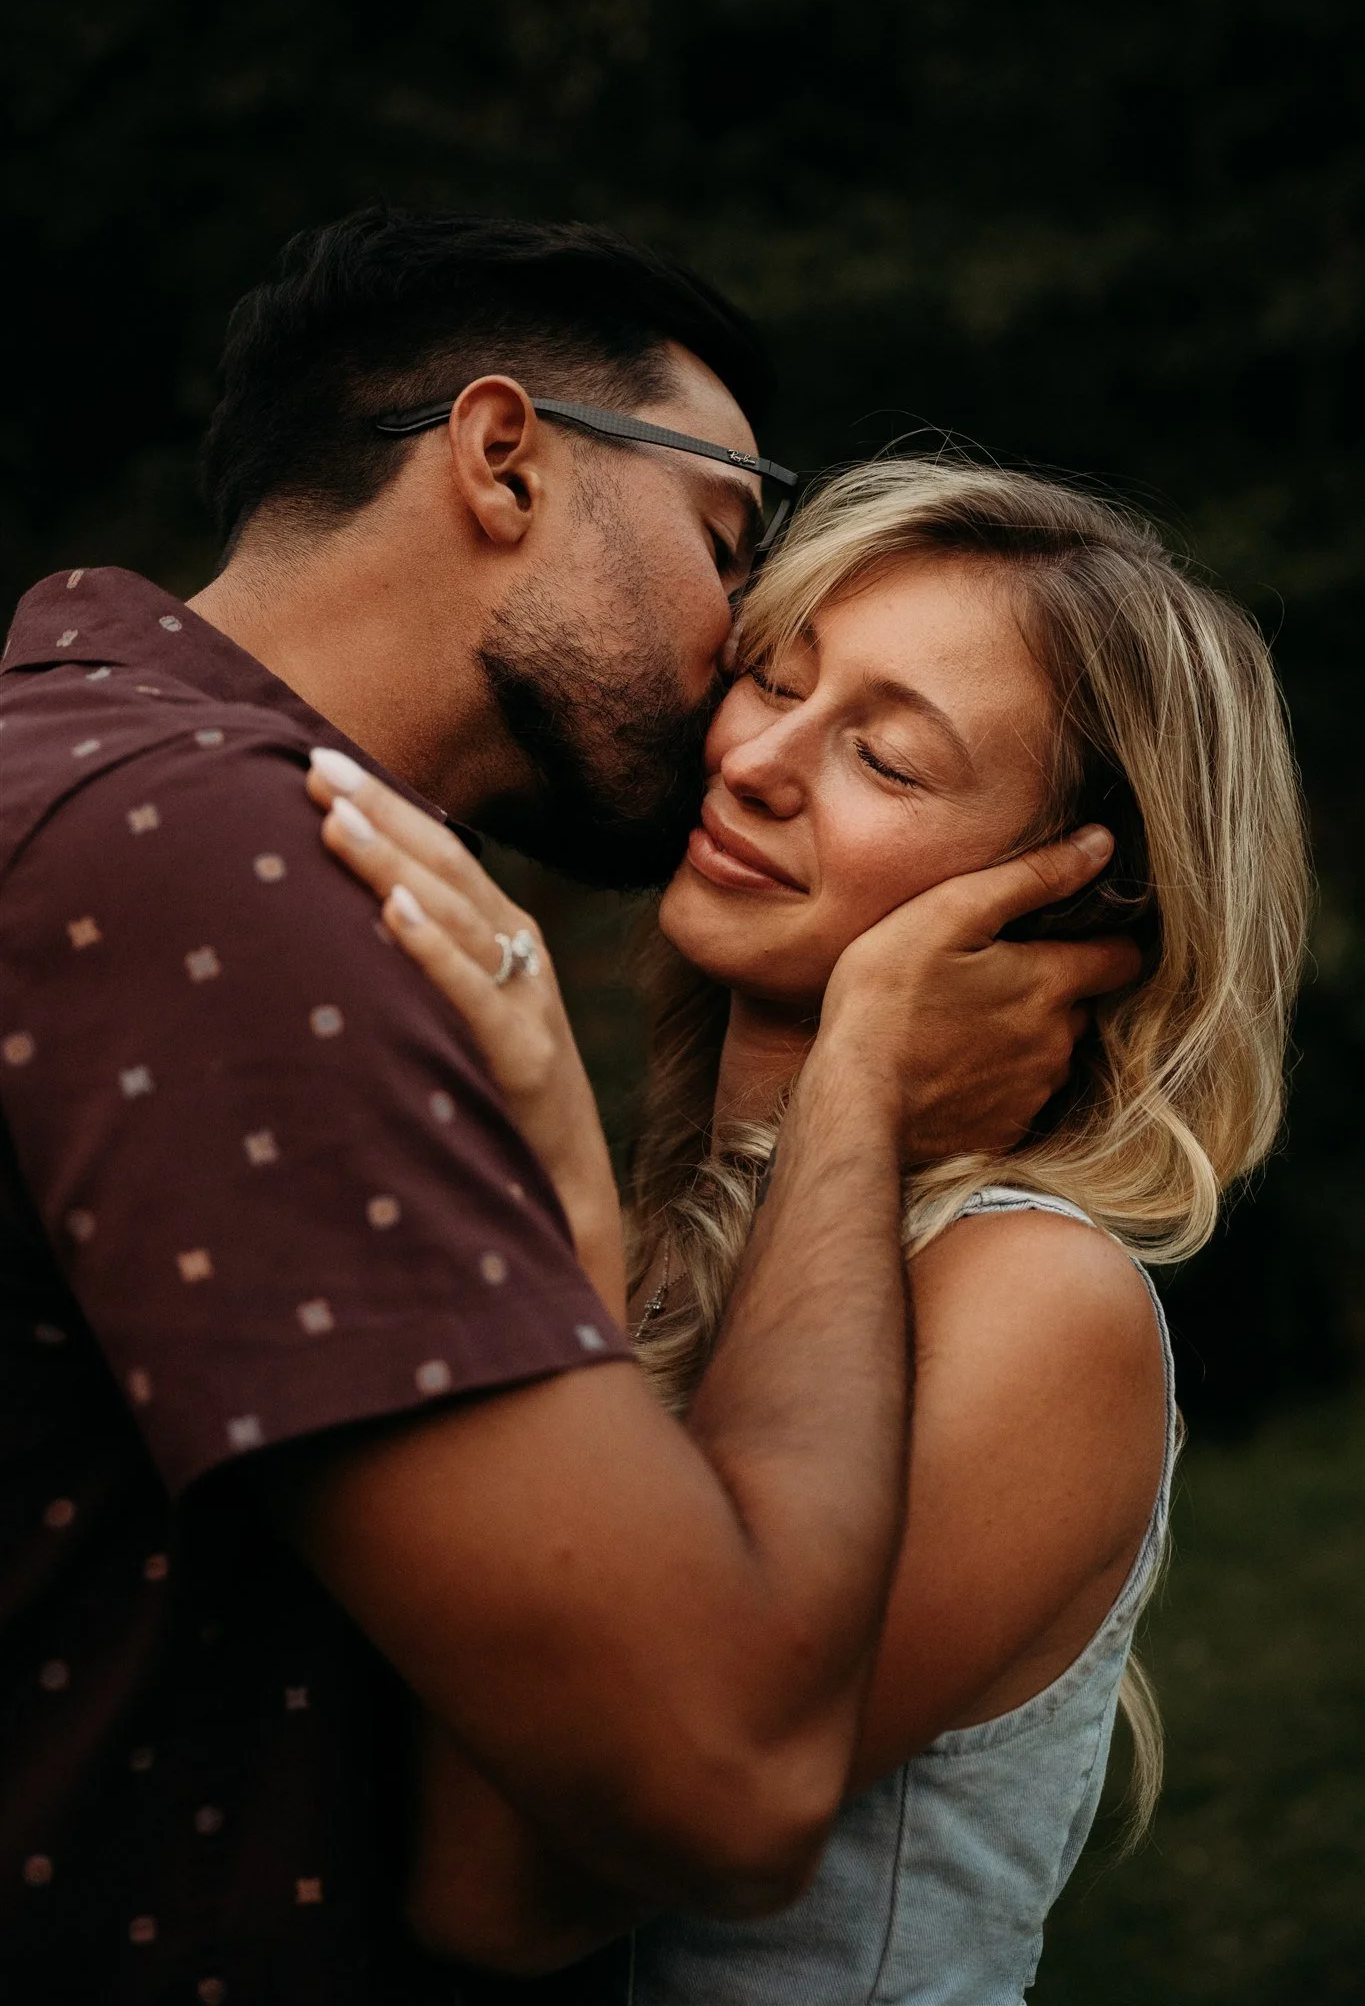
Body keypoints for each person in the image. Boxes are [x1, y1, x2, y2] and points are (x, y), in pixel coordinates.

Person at [0, 212, 1136, 2003]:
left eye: (890, 750)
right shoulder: (221, 858)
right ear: (503, 455)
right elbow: (654, 1789)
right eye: (734, 575)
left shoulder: (125, 787)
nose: (735, 732)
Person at [309, 456, 1310, 2003]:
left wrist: (846, 1075)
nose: (758, 760)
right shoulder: (670, 1231)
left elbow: (515, 1894)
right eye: (771, 677)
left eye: (889, 761)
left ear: (1068, 920)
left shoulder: (1038, 1296)